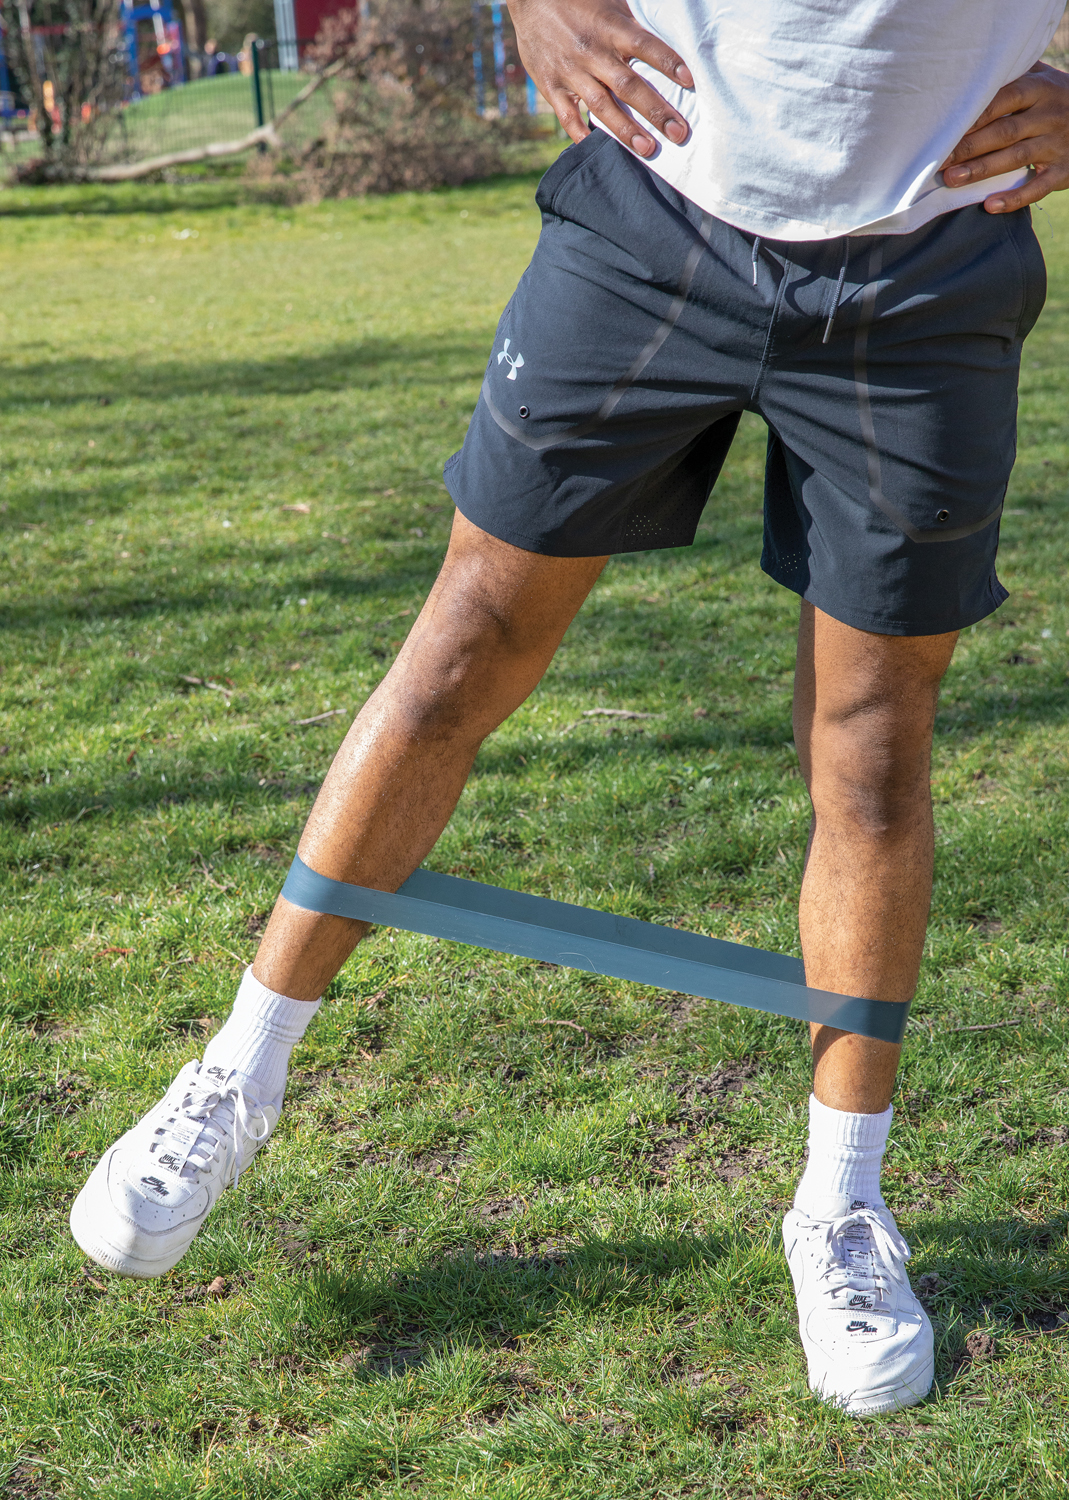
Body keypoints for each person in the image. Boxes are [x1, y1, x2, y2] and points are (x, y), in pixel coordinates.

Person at [70, 1, 1069, 1416]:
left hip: (928, 271)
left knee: (872, 746)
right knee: (461, 650)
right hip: (655, 211)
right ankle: (237, 1074)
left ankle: (840, 1207)